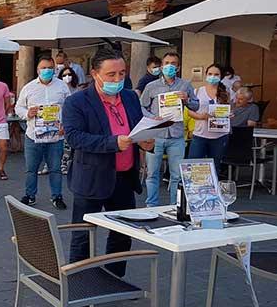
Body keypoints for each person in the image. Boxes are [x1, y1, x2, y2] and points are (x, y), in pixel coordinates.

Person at [62, 48, 155, 277]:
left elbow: (136, 127)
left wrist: (145, 141)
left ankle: (115, 277)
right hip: (91, 178)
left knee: (123, 232)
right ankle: (79, 281)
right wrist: (113, 143)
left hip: (123, 177)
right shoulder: (77, 102)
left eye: (122, 74)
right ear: (95, 74)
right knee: (83, 234)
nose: (117, 79)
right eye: (111, 74)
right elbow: (74, 136)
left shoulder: (131, 97)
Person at [140, 52, 200, 207]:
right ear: (161, 66)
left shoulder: (185, 85)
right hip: (156, 134)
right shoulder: (151, 86)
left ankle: (175, 206)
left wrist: (186, 99)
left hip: (176, 135)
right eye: (166, 63)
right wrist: (152, 117)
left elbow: (196, 105)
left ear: (178, 67)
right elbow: (141, 106)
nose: (169, 66)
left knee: (177, 176)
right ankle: (151, 206)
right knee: (152, 174)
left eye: (173, 63)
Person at [16, 57, 70, 210]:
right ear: (38, 70)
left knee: (55, 169)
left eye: (50, 67)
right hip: (34, 136)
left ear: (54, 69)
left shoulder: (62, 87)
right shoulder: (28, 88)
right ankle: (30, 195)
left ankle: (57, 196)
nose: (47, 70)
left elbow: (70, 108)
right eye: (43, 67)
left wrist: (65, 125)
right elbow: (18, 108)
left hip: (55, 137)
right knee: (31, 169)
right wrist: (28, 113)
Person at [187, 64, 230, 170]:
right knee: (194, 166)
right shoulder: (197, 91)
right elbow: (189, 112)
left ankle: (213, 186)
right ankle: (195, 187)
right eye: (210, 74)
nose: (213, 76)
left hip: (219, 136)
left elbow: (230, 110)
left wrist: (229, 115)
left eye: (216, 74)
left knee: (215, 167)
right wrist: (201, 116)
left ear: (221, 76)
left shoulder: (226, 92)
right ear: (206, 75)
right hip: (200, 135)